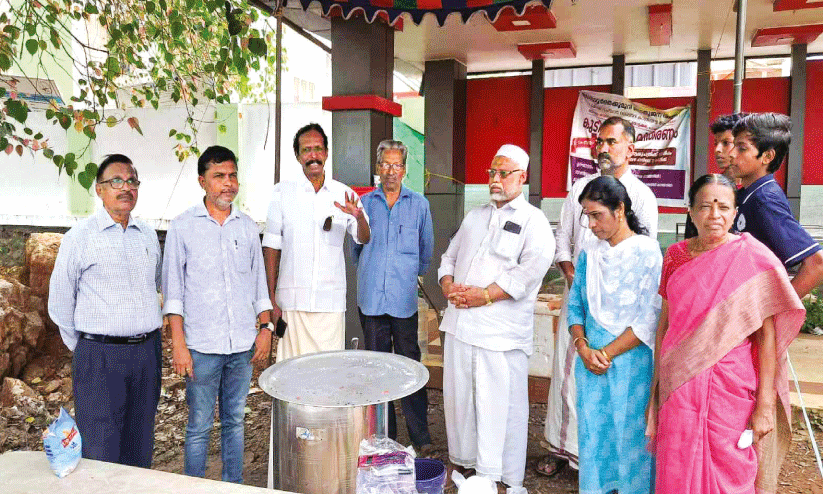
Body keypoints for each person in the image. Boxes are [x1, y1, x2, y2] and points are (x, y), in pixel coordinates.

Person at [650, 174, 805, 493]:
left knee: (731, 469)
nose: (714, 214)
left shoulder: (754, 258)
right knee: (677, 467)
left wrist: (764, 405)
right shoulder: (675, 256)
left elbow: (767, 338)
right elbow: (664, 325)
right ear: (691, 212)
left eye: (723, 206)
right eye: (705, 206)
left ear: (735, 213)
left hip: (731, 388)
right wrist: (658, 389)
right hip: (680, 384)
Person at [538, 115, 658, 478]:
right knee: (567, 375)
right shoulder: (581, 188)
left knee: (616, 394)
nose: (604, 148)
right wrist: (575, 276)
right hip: (580, 301)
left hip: (621, 321)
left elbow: (644, 256)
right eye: (600, 142)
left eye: (612, 141)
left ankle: (608, 467)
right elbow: (564, 238)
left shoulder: (641, 196)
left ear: (630, 148)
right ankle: (565, 450)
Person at [438, 144, 554, 494]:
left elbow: (529, 273)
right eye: (492, 172)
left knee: (499, 407)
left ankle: (500, 477)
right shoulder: (475, 216)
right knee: (460, 401)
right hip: (460, 326)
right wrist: (446, 283)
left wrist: (485, 295)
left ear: (522, 177)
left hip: (500, 335)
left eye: (504, 173)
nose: (496, 179)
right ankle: (463, 463)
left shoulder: (534, 222)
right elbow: (449, 255)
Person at [162, 146, 273, 483]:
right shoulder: (182, 227)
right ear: (202, 181)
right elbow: (173, 293)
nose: (228, 183)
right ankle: (193, 487)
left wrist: (266, 328)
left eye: (232, 175)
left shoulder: (247, 227)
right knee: (198, 425)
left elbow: (258, 286)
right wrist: (179, 345)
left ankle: (233, 486)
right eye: (219, 176)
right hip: (200, 347)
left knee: (235, 420)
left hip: (241, 345)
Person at [48, 154, 162, 468]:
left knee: (140, 442)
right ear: (99, 190)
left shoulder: (148, 235)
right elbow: (59, 303)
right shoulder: (80, 238)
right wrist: (87, 347)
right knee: (101, 448)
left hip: (146, 354)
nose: (125, 187)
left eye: (132, 181)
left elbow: (155, 284)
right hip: (99, 356)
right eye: (116, 181)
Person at [567, 175, 661, 494]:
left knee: (632, 437)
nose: (591, 225)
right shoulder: (589, 254)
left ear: (619, 210)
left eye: (597, 215)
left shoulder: (648, 253)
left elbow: (650, 317)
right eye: (587, 216)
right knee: (594, 436)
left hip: (632, 365)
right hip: (590, 364)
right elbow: (575, 305)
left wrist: (606, 353)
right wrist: (582, 347)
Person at [262, 123, 370, 361]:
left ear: (327, 153)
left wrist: (359, 217)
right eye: (306, 150)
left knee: (327, 379)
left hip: (329, 305)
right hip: (292, 303)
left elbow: (364, 237)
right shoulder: (282, 193)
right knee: (292, 378)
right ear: (298, 156)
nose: (313, 155)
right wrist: (271, 298)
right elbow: (271, 247)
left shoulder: (344, 194)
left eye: (318, 149)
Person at [353, 139, 435, 454]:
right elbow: (356, 250)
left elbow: (426, 251)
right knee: (378, 369)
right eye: (385, 164)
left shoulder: (419, 205)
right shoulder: (364, 204)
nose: (391, 171)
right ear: (378, 168)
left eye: (396, 165)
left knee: (409, 367)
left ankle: (421, 437)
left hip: (402, 301)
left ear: (404, 169)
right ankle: (386, 437)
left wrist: (406, 275)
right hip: (372, 300)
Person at [728, 112, 823, 299]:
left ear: (767, 156)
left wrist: (777, 310)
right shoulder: (747, 194)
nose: (731, 154)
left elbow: (816, 263)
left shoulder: (765, 199)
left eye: (742, 148)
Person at [684, 113, 744, 239]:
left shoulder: (757, 192)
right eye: (716, 143)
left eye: (726, 143)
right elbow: (690, 239)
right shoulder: (706, 189)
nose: (717, 149)